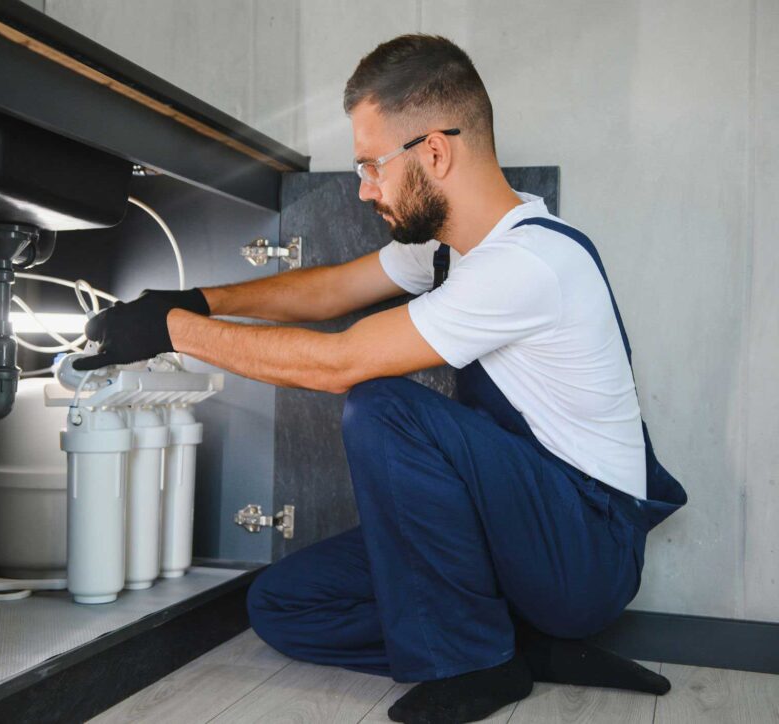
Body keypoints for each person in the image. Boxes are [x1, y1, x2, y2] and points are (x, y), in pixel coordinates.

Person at [74, 34, 687, 724]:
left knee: (384, 405)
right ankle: (516, 644)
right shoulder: (452, 252)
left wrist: (171, 334)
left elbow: (341, 364)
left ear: (433, 152)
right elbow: (330, 291)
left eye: (371, 165)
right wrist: (190, 302)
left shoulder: (528, 264)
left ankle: (477, 665)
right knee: (284, 605)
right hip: (510, 532)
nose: (364, 189)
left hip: (582, 556)